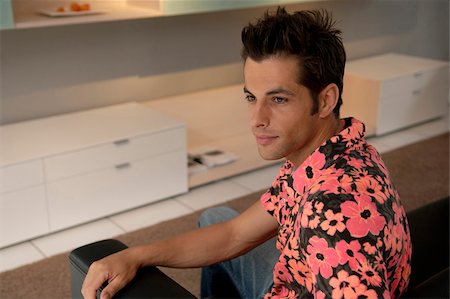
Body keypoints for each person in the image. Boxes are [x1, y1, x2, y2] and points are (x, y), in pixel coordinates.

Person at [82, 7, 412, 299]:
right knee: (216, 219)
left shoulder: (332, 216)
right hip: (301, 275)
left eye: (279, 99)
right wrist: (136, 255)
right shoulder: (338, 148)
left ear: (325, 100)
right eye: (251, 97)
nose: (257, 120)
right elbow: (235, 234)